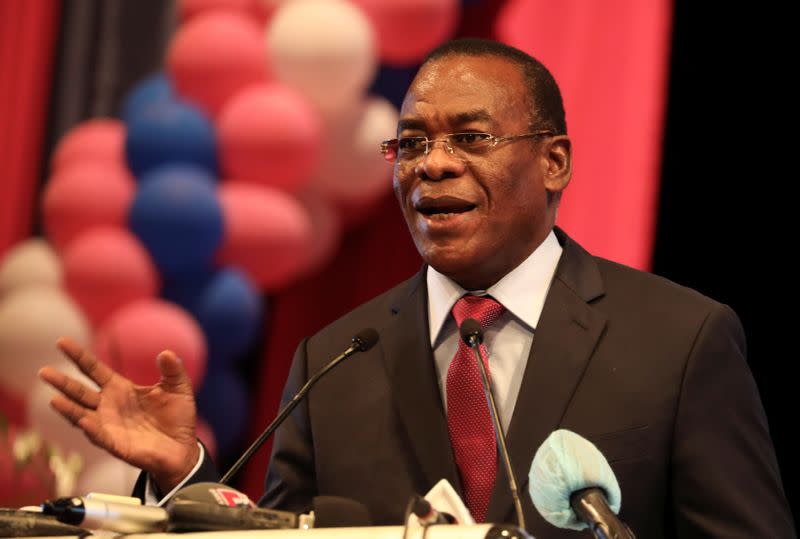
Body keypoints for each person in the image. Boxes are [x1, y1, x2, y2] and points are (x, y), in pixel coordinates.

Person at [40, 39, 795, 537]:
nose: (430, 164)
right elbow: (278, 535)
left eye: (470, 138)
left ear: (555, 162)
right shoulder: (333, 358)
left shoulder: (679, 340)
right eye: (411, 143)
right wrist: (184, 471)